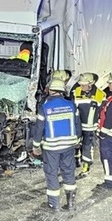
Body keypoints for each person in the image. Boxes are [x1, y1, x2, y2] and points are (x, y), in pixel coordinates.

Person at [32, 76, 81, 210]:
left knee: (51, 173)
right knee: (69, 172)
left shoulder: (45, 107)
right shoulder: (71, 105)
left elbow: (39, 129)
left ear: (50, 91)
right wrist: (77, 141)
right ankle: (70, 203)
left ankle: (54, 204)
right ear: (62, 91)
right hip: (69, 146)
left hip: (52, 148)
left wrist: (36, 146)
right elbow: (78, 125)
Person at [72, 72, 106, 178]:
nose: (81, 86)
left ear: (91, 84)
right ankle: (76, 161)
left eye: (83, 84)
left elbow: (103, 113)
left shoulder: (100, 95)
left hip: (90, 128)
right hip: (77, 125)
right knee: (75, 144)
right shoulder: (76, 92)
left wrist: (99, 127)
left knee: (87, 147)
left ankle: (85, 168)